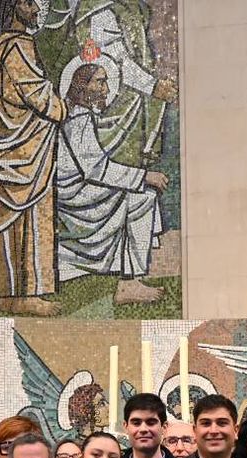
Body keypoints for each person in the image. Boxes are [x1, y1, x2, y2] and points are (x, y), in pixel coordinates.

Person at [54, 63, 168, 300]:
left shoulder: (78, 113)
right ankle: (129, 282)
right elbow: (96, 169)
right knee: (143, 198)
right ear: (83, 86)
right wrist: (145, 176)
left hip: (74, 187)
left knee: (141, 195)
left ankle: (130, 278)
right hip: (74, 194)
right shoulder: (78, 119)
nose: (106, 89)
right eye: (100, 82)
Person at [0, 0, 66, 316]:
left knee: (9, 219)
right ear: (14, 6)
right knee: (32, 215)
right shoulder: (18, 45)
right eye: (29, 3)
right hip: (27, 148)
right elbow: (35, 92)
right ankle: (29, 293)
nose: (36, 10)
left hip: (10, 141)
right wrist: (64, 107)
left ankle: (7, 293)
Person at [119, 393, 174, 458]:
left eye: (151, 423)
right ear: (126, 427)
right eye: (136, 423)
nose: (143, 429)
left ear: (164, 427)